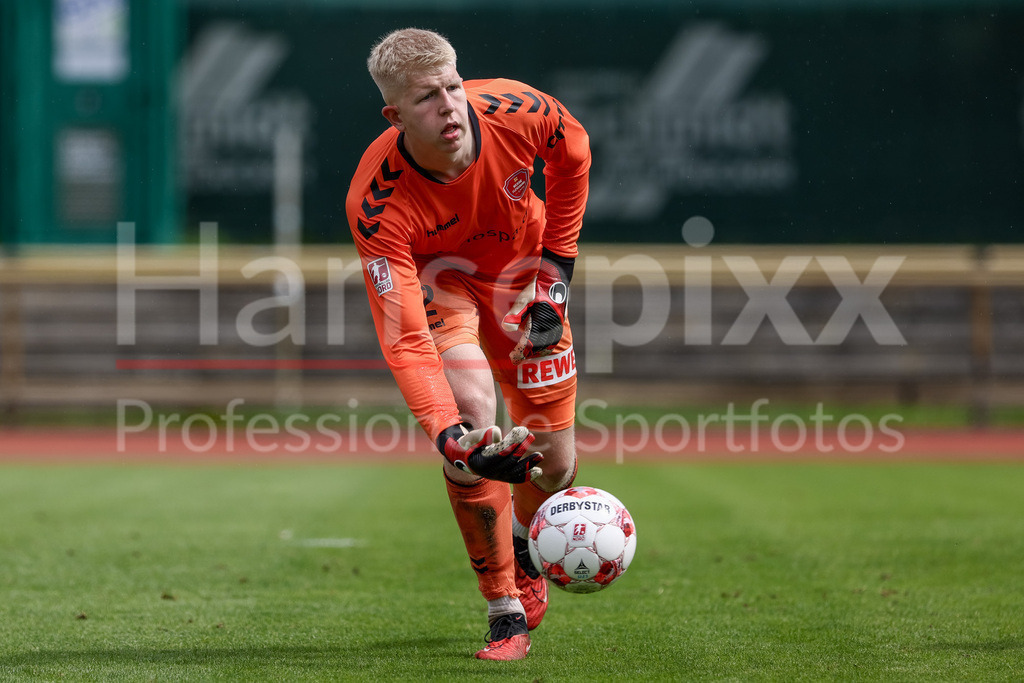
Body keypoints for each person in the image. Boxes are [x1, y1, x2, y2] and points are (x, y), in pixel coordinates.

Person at [346, 27, 590, 661]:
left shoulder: (517, 109)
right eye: (427, 98)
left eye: (453, 86)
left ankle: (522, 542)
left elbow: (575, 157)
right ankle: (503, 606)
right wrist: (446, 435)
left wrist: (556, 273)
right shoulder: (376, 202)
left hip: (522, 276)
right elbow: (403, 338)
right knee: (474, 427)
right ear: (394, 115)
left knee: (556, 465)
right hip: (439, 287)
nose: (449, 106)